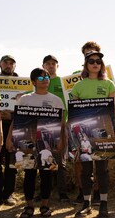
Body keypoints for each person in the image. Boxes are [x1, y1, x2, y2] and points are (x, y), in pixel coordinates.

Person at [6, 67, 65, 217]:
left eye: (46, 77)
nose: (44, 80)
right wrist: (8, 138)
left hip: (48, 143)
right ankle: (29, 206)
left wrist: (61, 141)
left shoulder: (56, 100)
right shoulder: (25, 99)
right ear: (33, 81)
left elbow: (61, 123)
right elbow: (16, 120)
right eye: (40, 78)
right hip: (27, 142)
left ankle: (45, 206)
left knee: (46, 174)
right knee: (29, 174)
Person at [70, 50, 115, 218]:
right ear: (86, 64)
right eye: (91, 61)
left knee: (102, 170)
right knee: (86, 171)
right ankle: (86, 204)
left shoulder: (109, 84)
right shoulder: (78, 86)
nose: (95, 63)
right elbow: (74, 111)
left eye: (98, 61)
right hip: (84, 134)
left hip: (102, 133)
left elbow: (113, 108)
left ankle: (103, 204)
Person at [72, 41, 102, 205]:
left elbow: (111, 101)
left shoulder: (106, 77)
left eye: (94, 53)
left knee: (99, 158)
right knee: (80, 160)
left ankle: (97, 191)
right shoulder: (76, 76)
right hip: (81, 125)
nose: (92, 59)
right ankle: (82, 191)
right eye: (87, 54)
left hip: (98, 124)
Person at [0, 55, 19, 207]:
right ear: (0, 64)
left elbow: (25, 107)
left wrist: (11, 114)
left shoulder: (24, 83)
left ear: (15, 66)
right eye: (5, 63)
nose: (8, 65)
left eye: (11, 63)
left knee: (11, 161)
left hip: (13, 125)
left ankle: (8, 194)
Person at [42, 55, 70, 202]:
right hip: (42, 128)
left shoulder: (63, 82)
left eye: (54, 63)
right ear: (43, 65)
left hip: (61, 126)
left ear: (57, 66)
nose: (51, 66)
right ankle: (44, 191)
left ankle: (62, 192)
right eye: (48, 63)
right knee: (44, 160)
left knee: (60, 162)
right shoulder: (39, 82)